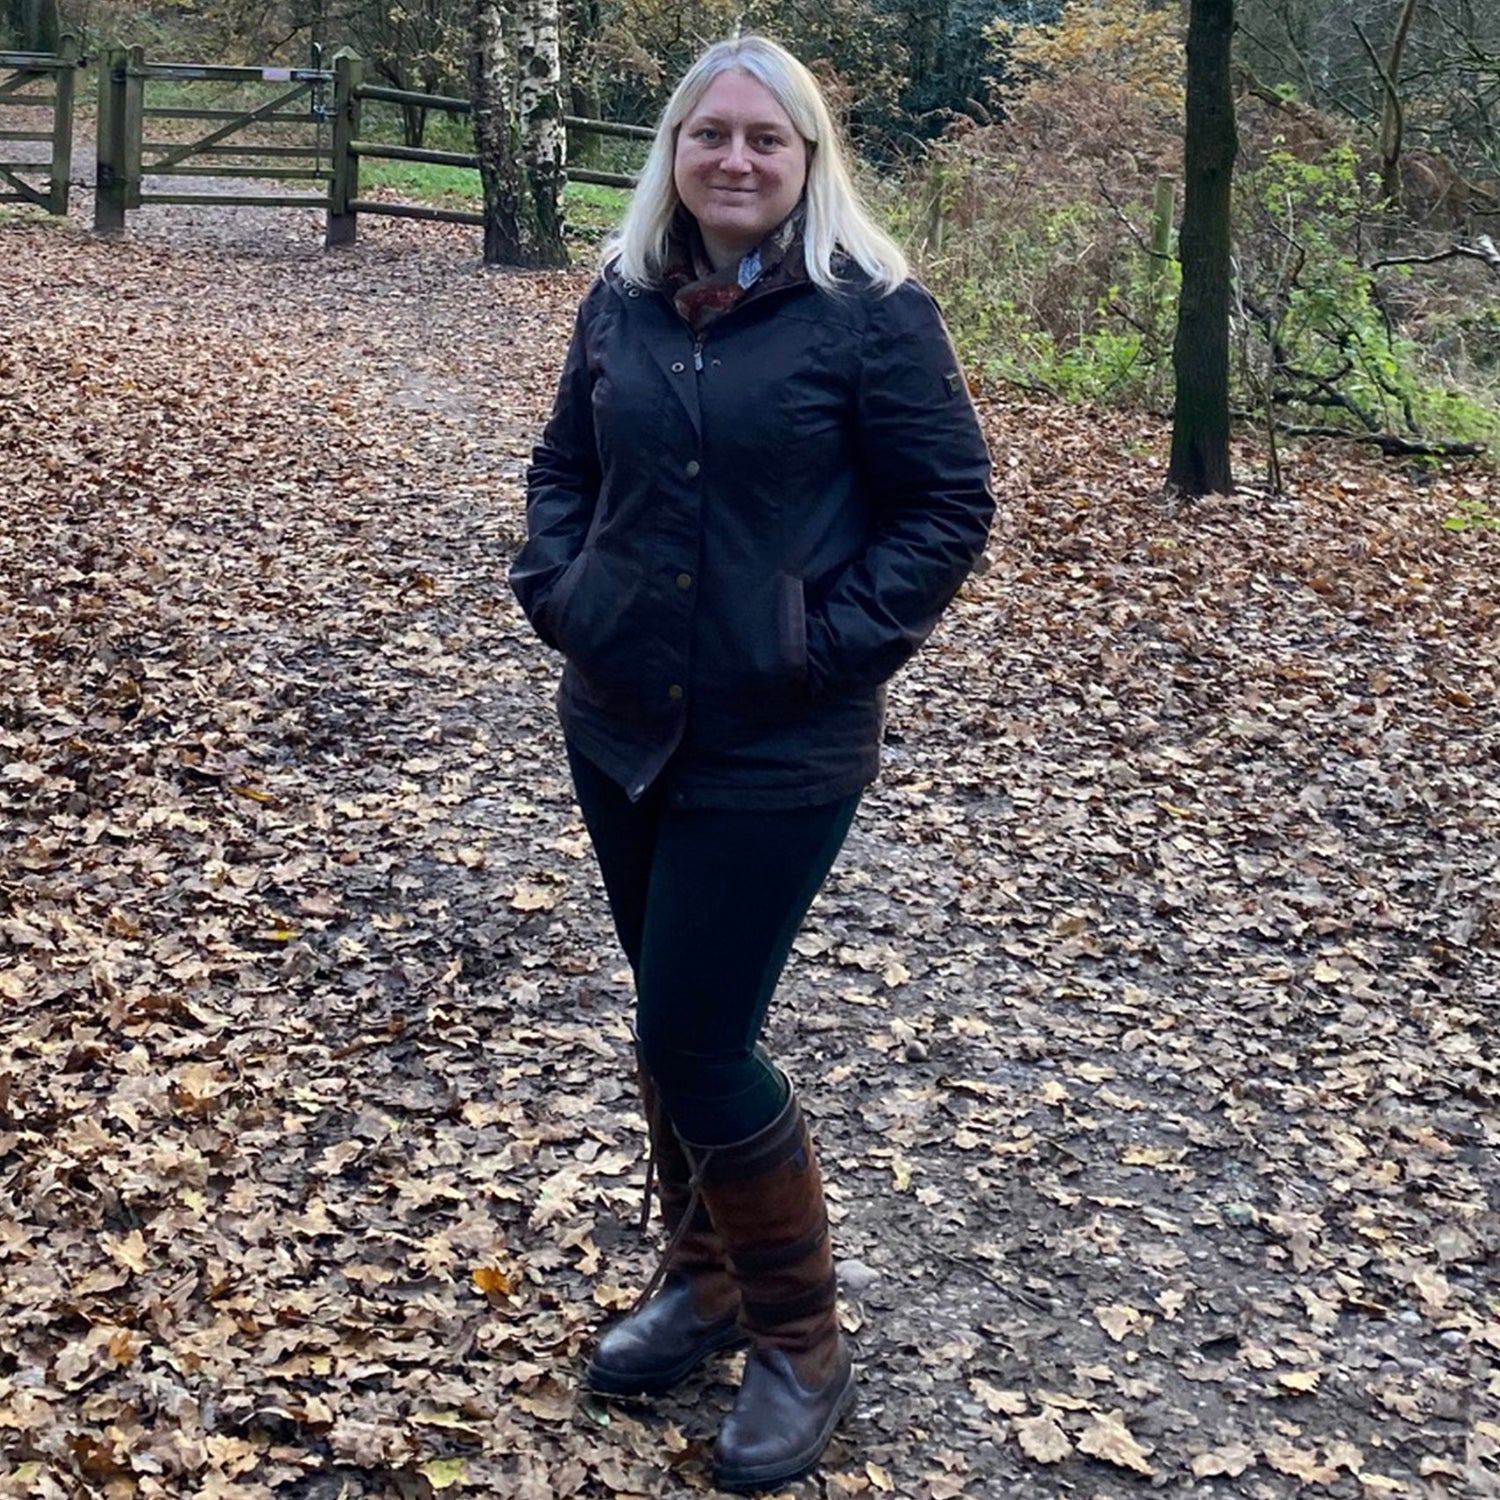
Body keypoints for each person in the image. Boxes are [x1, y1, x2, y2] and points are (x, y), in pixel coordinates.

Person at [509, 34, 994, 1492]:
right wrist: (561, 589)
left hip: (778, 746)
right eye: (708, 134)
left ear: (806, 161)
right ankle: (705, 1284)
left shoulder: (872, 313)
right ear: (674, 149)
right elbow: (564, 468)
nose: (733, 158)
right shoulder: (625, 295)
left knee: (699, 1040)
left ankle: (800, 1339)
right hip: (620, 722)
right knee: (670, 1024)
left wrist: (815, 647)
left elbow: (947, 504)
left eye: (763, 140)